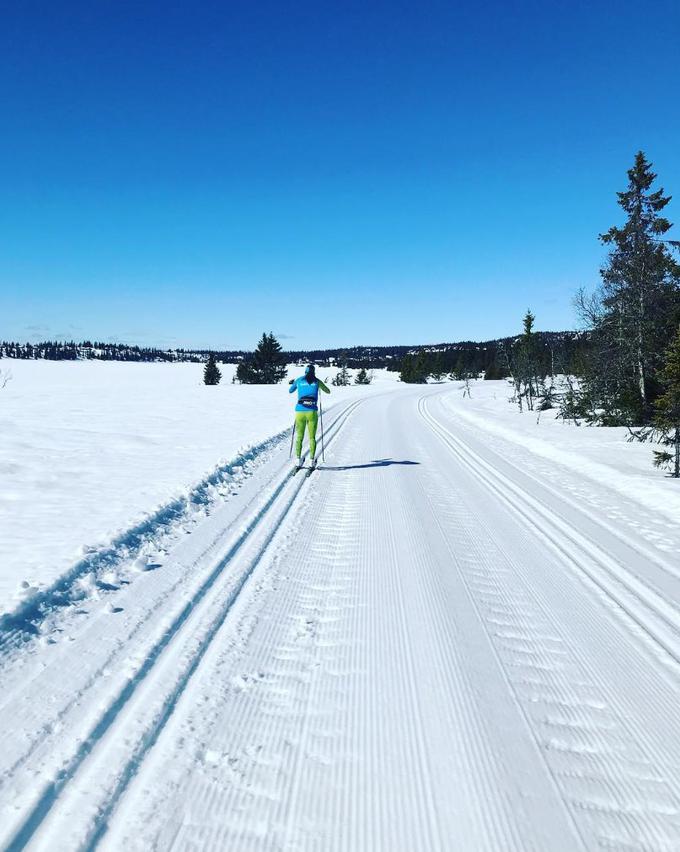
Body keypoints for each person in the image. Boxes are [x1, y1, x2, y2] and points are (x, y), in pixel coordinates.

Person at [288, 364, 330, 471]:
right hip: (312, 412)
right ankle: (311, 461)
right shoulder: (317, 381)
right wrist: (318, 388)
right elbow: (328, 391)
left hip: (300, 412)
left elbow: (290, 390)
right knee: (312, 437)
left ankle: (298, 459)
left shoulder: (299, 380)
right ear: (314, 372)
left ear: (305, 371)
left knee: (299, 436)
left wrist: (295, 384)